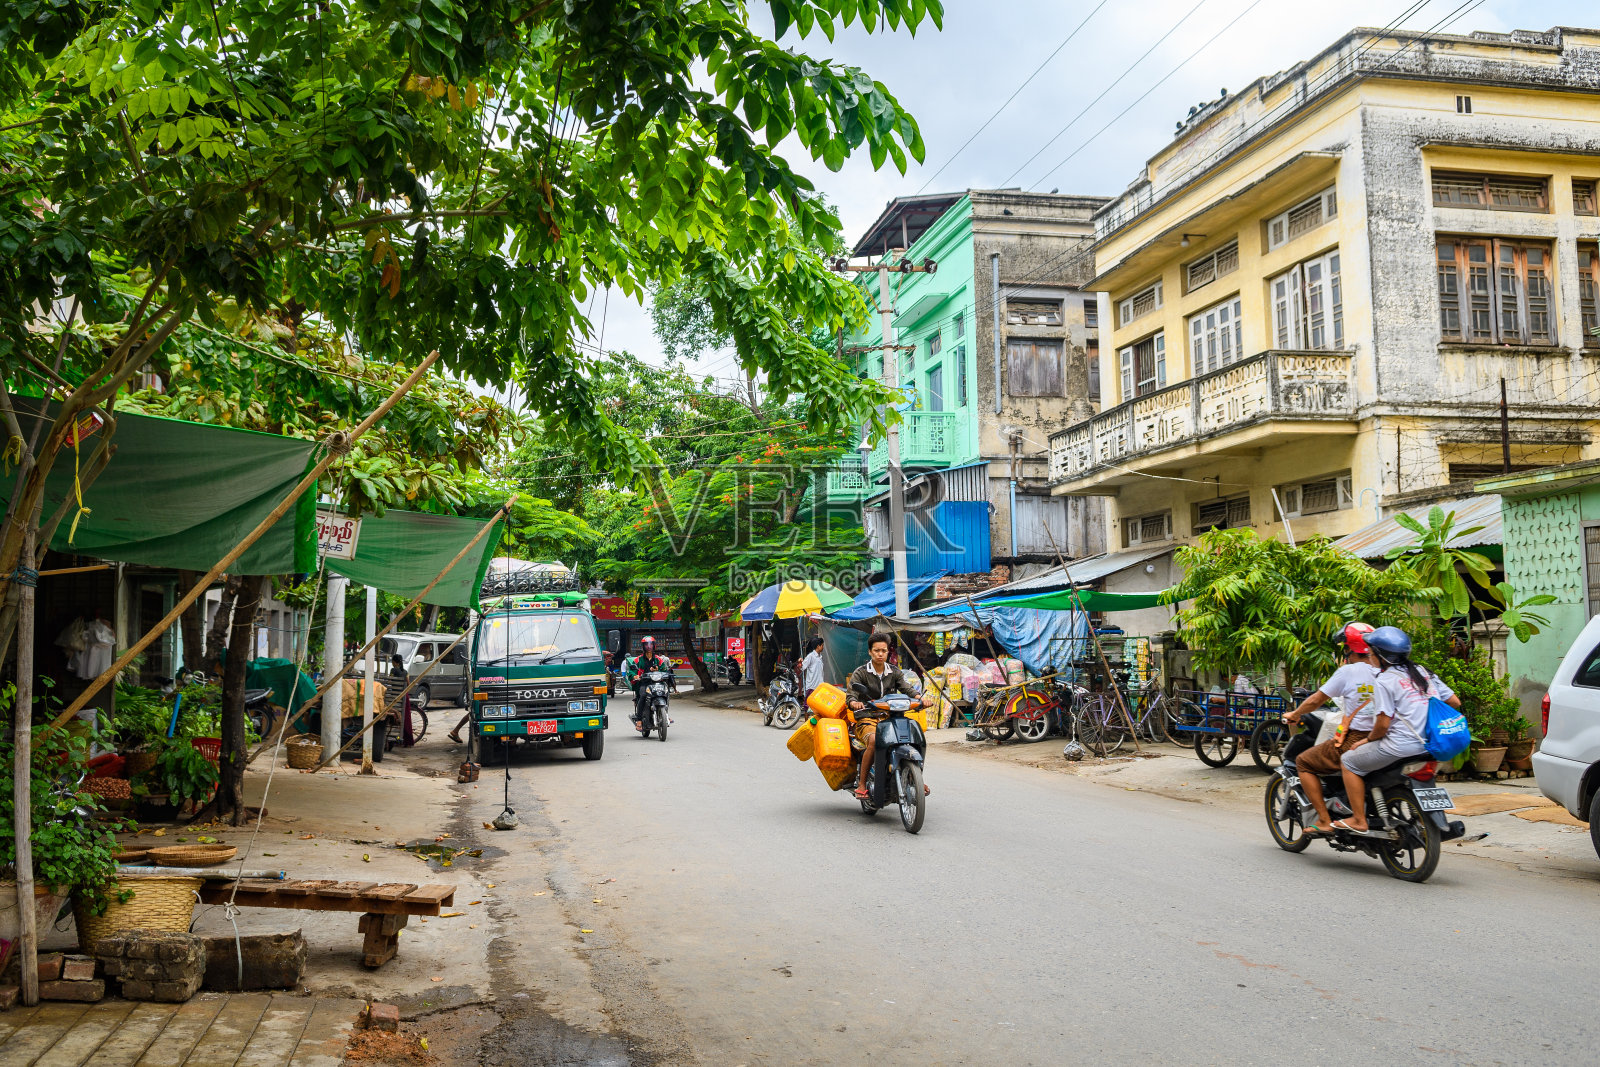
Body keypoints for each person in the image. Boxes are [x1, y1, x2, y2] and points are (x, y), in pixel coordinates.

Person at [1334, 625, 1461, 833]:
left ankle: (1358, 819)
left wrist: (1366, 740)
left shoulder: (1385, 680)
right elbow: (1454, 701)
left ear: (1382, 656)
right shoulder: (1422, 672)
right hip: (1431, 744)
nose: (1369, 657)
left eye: (1372, 653)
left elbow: (1382, 725)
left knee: (1348, 761)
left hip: (1402, 746)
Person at [1283, 622, 1379, 834]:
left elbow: (1316, 699)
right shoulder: (1386, 669)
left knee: (1304, 762)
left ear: (1348, 649)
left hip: (1357, 738)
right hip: (1387, 736)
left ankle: (1325, 821)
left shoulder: (1348, 672)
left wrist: (1295, 714)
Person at [846, 633, 931, 801]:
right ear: (870, 652)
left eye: (883, 651)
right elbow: (851, 696)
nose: (880, 654)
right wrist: (855, 702)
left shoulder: (894, 671)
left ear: (887, 652)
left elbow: (907, 689)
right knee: (873, 741)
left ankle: (917, 777)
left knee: (916, 738)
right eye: (876, 650)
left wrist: (920, 699)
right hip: (867, 718)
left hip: (891, 718)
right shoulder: (861, 673)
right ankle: (862, 784)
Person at [628, 636, 675, 732]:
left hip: (657, 683)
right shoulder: (638, 660)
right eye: (646, 645)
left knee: (665, 694)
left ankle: (665, 714)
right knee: (643, 696)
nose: (649, 647)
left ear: (654, 646)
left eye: (650, 644)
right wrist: (635, 676)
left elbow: (664, 670)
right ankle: (639, 720)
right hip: (644, 684)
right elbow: (631, 671)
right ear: (643, 646)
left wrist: (659, 670)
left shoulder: (659, 659)